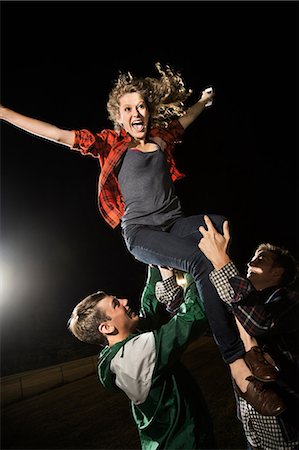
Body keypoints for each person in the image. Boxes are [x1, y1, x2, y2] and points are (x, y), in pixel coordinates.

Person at [0, 63, 282, 414]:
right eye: (128, 109)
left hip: (174, 224)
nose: (136, 114)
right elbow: (58, 134)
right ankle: (236, 360)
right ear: (118, 116)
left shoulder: (163, 136)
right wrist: (4, 111)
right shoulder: (109, 143)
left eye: (141, 107)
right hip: (141, 233)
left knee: (220, 225)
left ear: (149, 111)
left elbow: (187, 119)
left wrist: (204, 101)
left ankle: (247, 340)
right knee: (198, 261)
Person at [68, 264, 217, 449]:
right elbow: (192, 318)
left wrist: (153, 265)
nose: (124, 301)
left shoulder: (120, 350)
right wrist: (195, 270)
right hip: (183, 443)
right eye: (116, 304)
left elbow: (148, 311)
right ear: (106, 328)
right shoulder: (132, 357)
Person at [198, 214, 299, 449]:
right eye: (252, 258)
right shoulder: (239, 304)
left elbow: (259, 322)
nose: (250, 263)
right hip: (253, 424)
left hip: (287, 427)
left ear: (278, 272)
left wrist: (222, 262)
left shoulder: (290, 301)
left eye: (261, 259)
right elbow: (196, 319)